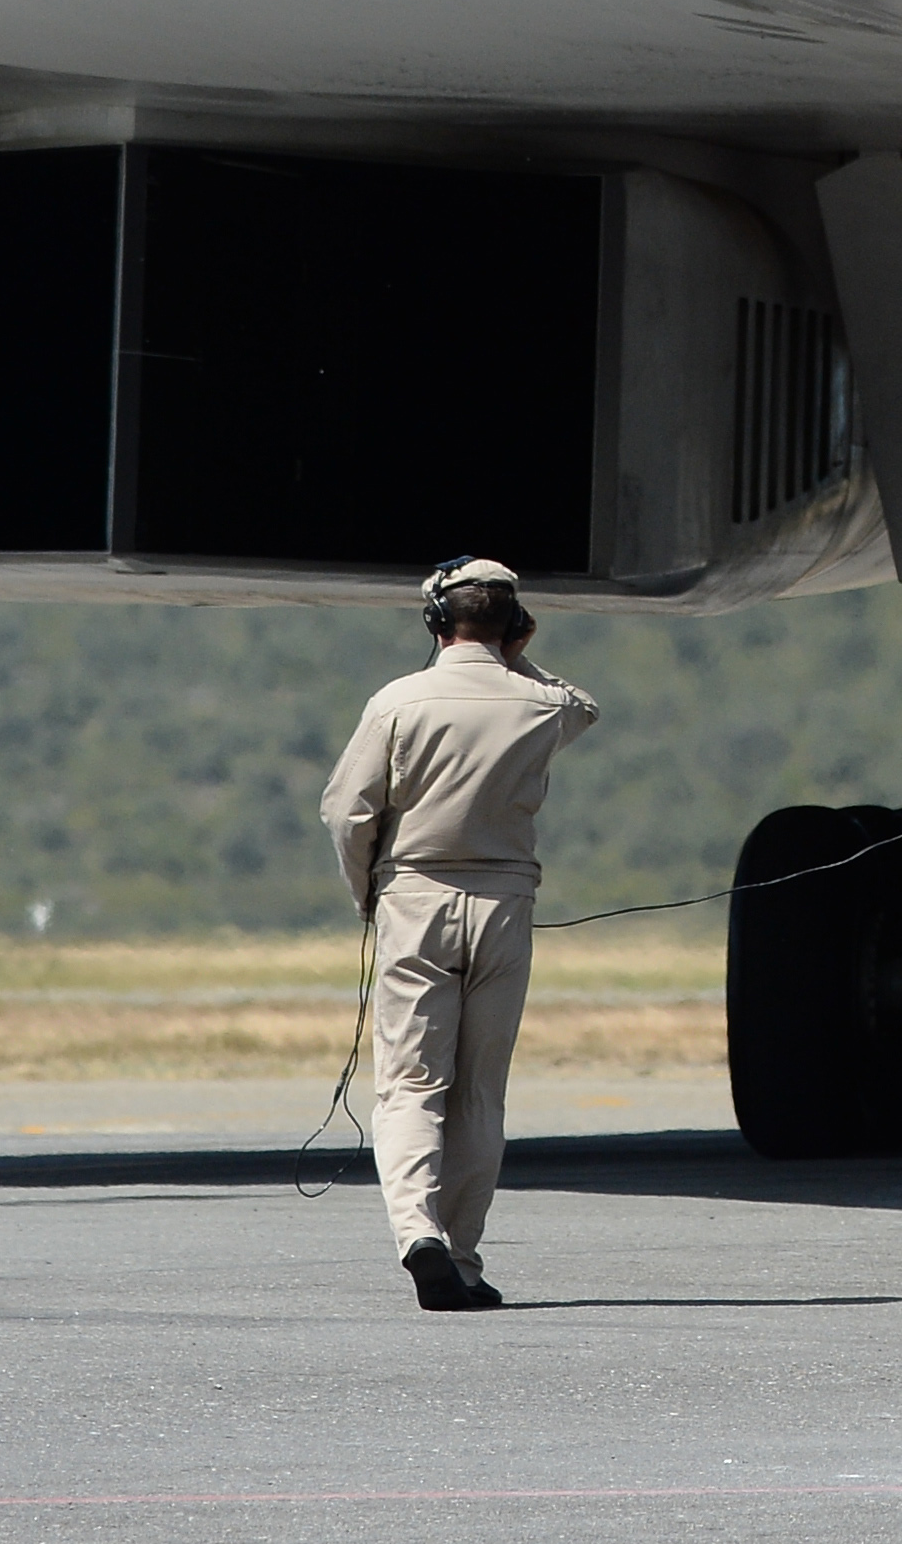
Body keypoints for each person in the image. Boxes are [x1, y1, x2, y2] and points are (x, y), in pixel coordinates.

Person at [320, 556, 599, 1310]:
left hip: (415, 896)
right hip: (506, 903)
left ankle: (420, 1234)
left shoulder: (398, 702)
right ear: (512, 627)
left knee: (412, 1083)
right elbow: (582, 705)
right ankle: (466, 1260)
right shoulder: (537, 705)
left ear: (435, 623)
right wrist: (517, 655)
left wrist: (367, 894)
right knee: (479, 1091)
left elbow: (346, 811)